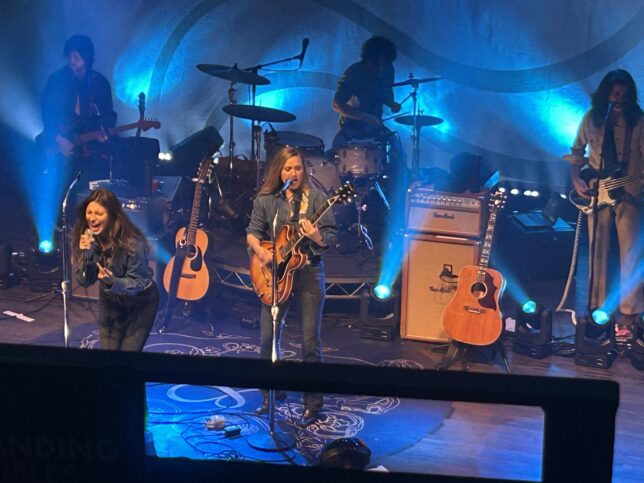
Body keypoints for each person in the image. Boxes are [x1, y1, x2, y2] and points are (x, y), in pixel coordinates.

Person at [246, 147, 337, 427]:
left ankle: (312, 403)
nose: (293, 173)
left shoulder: (316, 199)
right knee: (267, 338)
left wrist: (316, 235)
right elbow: (252, 233)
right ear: (279, 171)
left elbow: (331, 238)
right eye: (288, 169)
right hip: (274, 274)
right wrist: (262, 254)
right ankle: (270, 394)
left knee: (310, 342)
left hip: (309, 271)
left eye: (298, 168)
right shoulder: (267, 200)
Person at [568, 69, 643, 340]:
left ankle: (629, 314)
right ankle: (596, 309)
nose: (619, 99)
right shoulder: (592, 118)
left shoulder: (639, 121)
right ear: (605, 95)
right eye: (615, 94)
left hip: (630, 192)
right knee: (596, 251)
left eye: (624, 94)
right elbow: (577, 152)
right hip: (596, 192)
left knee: (631, 254)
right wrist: (577, 178)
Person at [73, 188, 159, 351]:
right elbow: (84, 280)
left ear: (111, 215)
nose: (92, 218)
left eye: (98, 213)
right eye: (89, 213)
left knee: (127, 356)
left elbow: (140, 282)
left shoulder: (132, 242)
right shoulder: (90, 238)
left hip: (139, 303)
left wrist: (113, 282)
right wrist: (87, 254)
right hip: (110, 300)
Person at [40, 35, 117, 182]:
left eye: (76, 57)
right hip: (62, 146)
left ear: (87, 58)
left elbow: (107, 113)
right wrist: (57, 138)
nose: (72, 61)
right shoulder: (56, 80)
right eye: (69, 56)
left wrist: (105, 132)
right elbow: (47, 111)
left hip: (90, 149)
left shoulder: (100, 82)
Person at [332, 36, 401, 150]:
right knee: (338, 151)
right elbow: (336, 104)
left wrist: (392, 103)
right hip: (351, 128)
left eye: (384, 65)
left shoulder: (389, 70)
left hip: (374, 129)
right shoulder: (354, 72)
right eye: (375, 64)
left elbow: (386, 92)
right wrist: (367, 117)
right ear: (367, 59)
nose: (380, 69)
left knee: (396, 146)